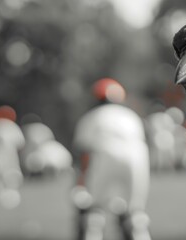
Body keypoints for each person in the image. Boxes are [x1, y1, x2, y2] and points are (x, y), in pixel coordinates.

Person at [72, 78, 151, 240]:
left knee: (94, 211)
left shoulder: (91, 117)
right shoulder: (131, 116)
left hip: (104, 156)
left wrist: (81, 180)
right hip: (137, 159)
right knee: (135, 213)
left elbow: (84, 152)